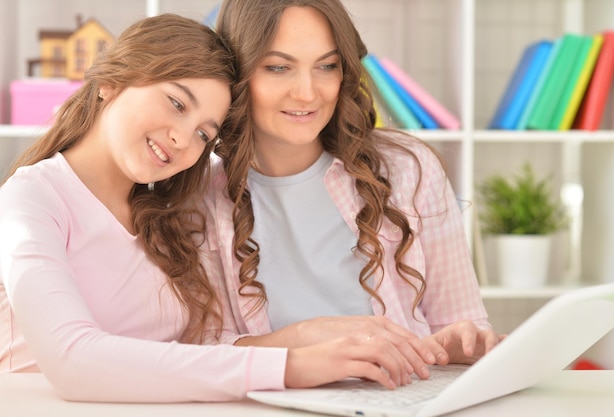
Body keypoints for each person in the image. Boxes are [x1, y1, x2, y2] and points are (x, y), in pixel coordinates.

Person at [0, 13, 415, 403]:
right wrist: (291, 365)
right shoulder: (32, 200)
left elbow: (185, 353)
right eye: (177, 104)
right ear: (111, 80)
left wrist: (310, 334)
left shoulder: (165, 215)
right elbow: (73, 362)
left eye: (203, 133)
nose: (183, 139)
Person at [207, 0, 504, 378]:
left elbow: (463, 321)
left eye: (327, 66)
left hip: (401, 398)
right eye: (278, 67)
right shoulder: (199, 199)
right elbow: (198, 352)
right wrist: (304, 336)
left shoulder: (408, 169)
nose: (307, 93)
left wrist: (459, 345)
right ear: (236, 73)